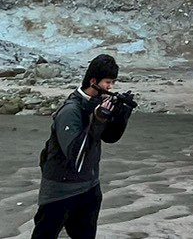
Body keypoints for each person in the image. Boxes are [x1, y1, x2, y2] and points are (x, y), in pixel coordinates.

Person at [30, 53, 133, 239]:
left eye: (113, 82)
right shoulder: (70, 111)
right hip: (60, 191)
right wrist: (98, 120)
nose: (111, 87)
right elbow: (76, 154)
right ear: (93, 81)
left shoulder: (98, 104)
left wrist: (122, 115)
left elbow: (110, 137)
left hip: (89, 187)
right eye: (107, 82)